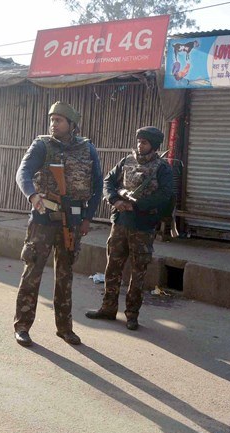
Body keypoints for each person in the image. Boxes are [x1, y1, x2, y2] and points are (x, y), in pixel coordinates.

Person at [13, 101, 102, 347]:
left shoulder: (87, 149)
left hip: (72, 222)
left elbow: (97, 186)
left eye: (59, 120)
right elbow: (23, 172)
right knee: (32, 273)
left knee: (65, 276)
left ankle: (65, 329)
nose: (53, 124)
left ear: (72, 125)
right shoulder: (42, 145)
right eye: (52, 119)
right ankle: (22, 326)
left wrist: (87, 219)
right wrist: (32, 195)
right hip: (43, 219)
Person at [84, 127, 174, 330]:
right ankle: (108, 308)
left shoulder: (162, 168)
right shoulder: (126, 161)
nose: (140, 145)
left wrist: (137, 205)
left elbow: (166, 194)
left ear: (154, 145)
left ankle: (132, 314)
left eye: (145, 142)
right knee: (112, 268)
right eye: (139, 141)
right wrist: (115, 200)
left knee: (138, 272)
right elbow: (108, 181)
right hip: (120, 223)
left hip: (142, 226)